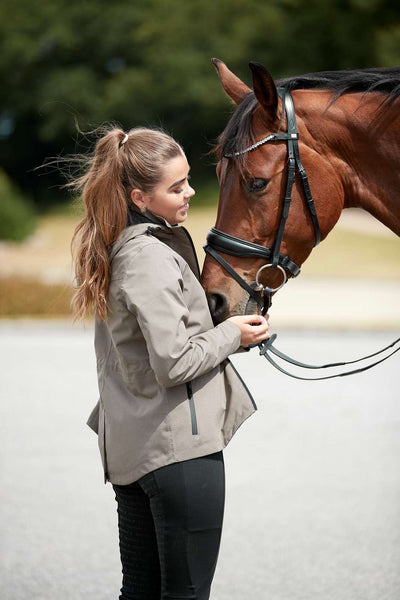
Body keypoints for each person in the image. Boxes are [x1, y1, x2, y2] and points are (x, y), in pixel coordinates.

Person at [71, 126, 270, 600]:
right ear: (140, 196)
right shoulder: (148, 257)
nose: (190, 192)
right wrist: (232, 333)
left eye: (187, 181)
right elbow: (173, 362)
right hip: (177, 451)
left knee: (140, 592)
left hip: (140, 450)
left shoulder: (126, 245)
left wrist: (226, 337)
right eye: (176, 187)